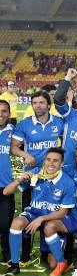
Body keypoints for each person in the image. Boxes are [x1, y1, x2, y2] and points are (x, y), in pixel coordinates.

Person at [1, 148, 76, 276]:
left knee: (52, 261)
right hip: (35, 214)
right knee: (17, 222)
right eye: (48, 160)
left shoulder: (67, 182)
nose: (51, 164)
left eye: (55, 161)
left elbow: (63, 213)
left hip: (55, 218)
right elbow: (6, 192)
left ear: (62, 164)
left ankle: (61, 263)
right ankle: (14, 266)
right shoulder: (35, 173)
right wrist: (20, 179)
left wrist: (41, 219)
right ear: (44, 161)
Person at [10, 90, 64, 261]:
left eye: (41, 102)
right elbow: (14, 147)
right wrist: (26, 155)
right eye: (35, 103)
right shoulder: (25, 124)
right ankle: (25, 253)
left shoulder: (59, 123)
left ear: (49, 105)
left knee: (49, 212)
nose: (38, 106)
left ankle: (45, 252)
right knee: (29, 212)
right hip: (31, 177)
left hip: (53, 176)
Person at [0, 100, 14, 262]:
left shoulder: (13, 132)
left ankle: (7, 253)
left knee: (5, 223)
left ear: (9, 114)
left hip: (6, 186)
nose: (1, 114)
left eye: (4, 111)